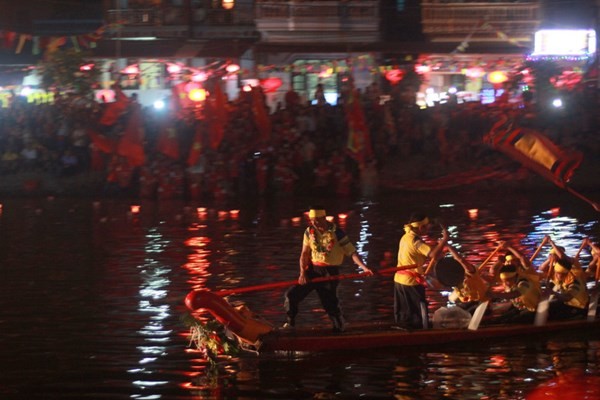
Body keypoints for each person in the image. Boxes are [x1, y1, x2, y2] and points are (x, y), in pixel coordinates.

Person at [283, 206, 373, 332]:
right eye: (312, 220)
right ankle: (290, 324)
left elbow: (352, 253)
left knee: (329, 303)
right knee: (291, 295)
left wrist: (364, 268)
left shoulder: (338, 233)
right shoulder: (309, 232)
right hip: (313, 270)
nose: (314, 223)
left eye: (317, 220)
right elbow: (304, 254)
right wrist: (302, 273)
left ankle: (339, 328)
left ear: (324, 218)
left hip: (330, 272)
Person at [394, 213, 448, 330]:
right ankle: (421, 332)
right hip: (411, 281)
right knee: (418, 314)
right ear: (421, 228)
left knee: (404, 314)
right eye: (427, 226)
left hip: (399, 280)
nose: (429, 229)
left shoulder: (405, 236)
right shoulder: (415, 241)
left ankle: (403, 328)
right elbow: (433, 254)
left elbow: (424, 252)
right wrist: (444, 240)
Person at [446, 244, 490, 314]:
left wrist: (447, 245)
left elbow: (461, 260)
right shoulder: (456, 282)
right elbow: (452, 299)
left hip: (481, 304)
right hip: (468, 307)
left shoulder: (470, 272)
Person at [545, 256, 589, 320]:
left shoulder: (575, 283)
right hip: (568, 304)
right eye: (555, 272)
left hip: (579, 308)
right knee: (549, 306)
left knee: (553, 311)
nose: (556, 275)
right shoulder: (560, 279)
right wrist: (549, 260)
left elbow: (567, 298)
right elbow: (542, 268)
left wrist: (553, 293)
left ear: (565, 274)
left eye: (558, 273)